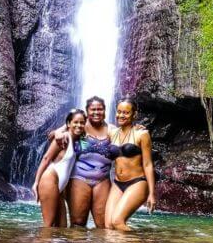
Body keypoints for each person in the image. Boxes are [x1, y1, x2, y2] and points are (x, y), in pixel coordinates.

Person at [52, 96, 114, 227]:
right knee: (78, 223)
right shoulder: (80, 127)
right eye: (93, 109)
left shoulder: (112, 130)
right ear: (87, 111)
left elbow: (128, 133)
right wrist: (59, 132)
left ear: (105, 110)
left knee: (103, 225)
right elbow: (53, 134)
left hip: (103, 180)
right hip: (79, 178)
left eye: (100, 109)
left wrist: (136, 128)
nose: (97, 112)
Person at [105, 98, 156, 231]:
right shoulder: (112, 132)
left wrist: (151, 193)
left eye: (126, 113)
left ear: (134, 115)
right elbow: (87, 122)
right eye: (119, 112)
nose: (121, 115)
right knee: (108, 225)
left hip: (137, 182)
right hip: (117, 183)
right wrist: (61, 130)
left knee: (117, 222)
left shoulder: (142, 134)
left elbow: (148, 164)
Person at [32, 109, 86, 227]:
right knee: (48, 226)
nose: (79, 125)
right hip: (50, 181)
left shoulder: (78, 140)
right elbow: (46, 158)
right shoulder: (63, 138)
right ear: (68, 124)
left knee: (61, 228)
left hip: (59, 188)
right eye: (75, 122)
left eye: (82, 122)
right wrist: (36, 182)